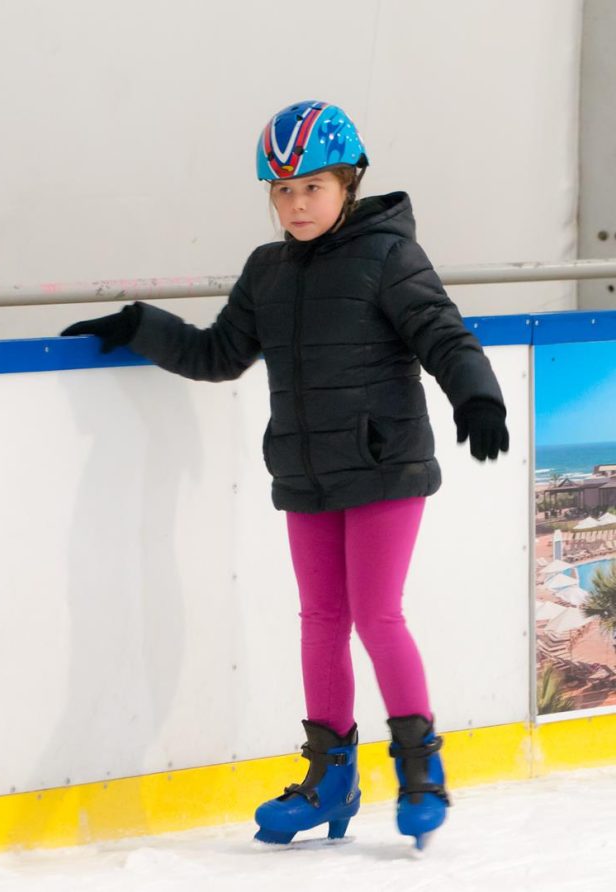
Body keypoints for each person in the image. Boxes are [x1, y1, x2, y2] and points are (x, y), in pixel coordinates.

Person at [61, 99, 509, 849]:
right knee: (320, 621)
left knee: (377, 614)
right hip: (306, 474)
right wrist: (137, 324)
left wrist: (478, 397)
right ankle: (331, 779)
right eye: (282, 190)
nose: (296, 204)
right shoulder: (267, 271)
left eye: (312, 187)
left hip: (384, 467)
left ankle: (420, 769)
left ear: (349, 184)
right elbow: (218, 354)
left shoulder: (389, 256)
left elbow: (443, 333)